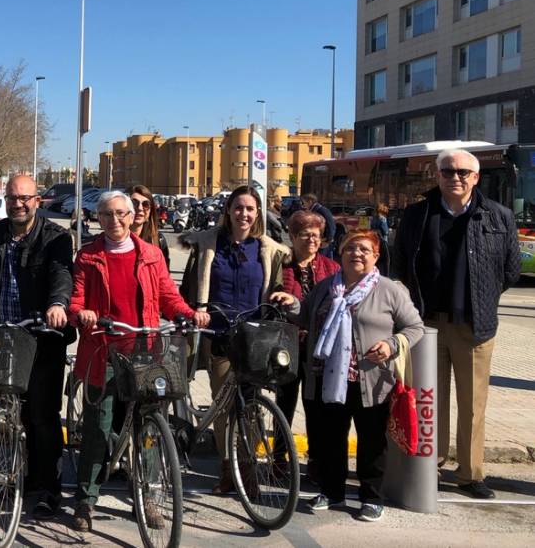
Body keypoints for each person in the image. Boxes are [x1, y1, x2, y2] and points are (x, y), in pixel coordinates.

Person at [67, 191, 208, 532]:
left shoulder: (150, 255)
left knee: (149, 428)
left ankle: (149, 498)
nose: (113, 220)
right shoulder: (88, 255)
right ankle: (86, 501)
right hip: (103, 351)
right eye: (105, 214)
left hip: (144, 351)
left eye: (120, 213)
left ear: (132, 217)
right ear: (97, 219)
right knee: (98, 428)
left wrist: (190, 314)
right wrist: (81, 314)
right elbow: (76, 299)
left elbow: (166, 295)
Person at [392, 148, 521, 499]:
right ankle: (428, 466)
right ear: (438, 176)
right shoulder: (417, 215)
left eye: (464, 172)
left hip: (475, 326)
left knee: (473, 403)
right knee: (429, 400)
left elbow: (511, 269)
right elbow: (401, 263)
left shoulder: (498, 216)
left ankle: (470, 474)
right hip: (427, 325)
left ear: (476, 177)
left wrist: (483, 298)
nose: (456, 177)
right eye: (448, 171)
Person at [0, 174, 73, 519]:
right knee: (8, 412)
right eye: (12, 198)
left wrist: (57, 304)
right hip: (3, 335)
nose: (18, 204)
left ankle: (45, 488)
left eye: (25, 198)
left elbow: (61, 274)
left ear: (37, 200)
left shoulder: (55, 237)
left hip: (41, 338)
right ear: (5, 200)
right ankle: (8, 477)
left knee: (41, 416)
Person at [298, 229, 424, 522]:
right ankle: (332, 492)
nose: (356, 254)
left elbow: (414, 327)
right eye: (350, 249)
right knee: (331, 439)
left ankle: (371, 497)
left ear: (376, 256)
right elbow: (304, 317)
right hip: (329, 377)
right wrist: (289, 305)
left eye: (364, 250)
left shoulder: (390, 290)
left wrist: (391, 345)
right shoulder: (326, 287)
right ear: (340, 254)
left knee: (371, 442)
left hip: (371, 380)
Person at [178, 185, 293, 493]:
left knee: (253, 407)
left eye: (250, 209)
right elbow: (188, 290)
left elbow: (277, 286)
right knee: (224, 406)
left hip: (255, 340)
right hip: (218, 335)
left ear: (258, 214)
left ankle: (248, 468)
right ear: (228, 211)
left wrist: (282, 296)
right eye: (238, 208)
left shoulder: (268, 249)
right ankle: (228, 469)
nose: (244, 214)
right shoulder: (208, 245)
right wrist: (193, 313)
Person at [276, 210, 340, 481]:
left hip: (318, 348)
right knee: (284, 403)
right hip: (287, 346)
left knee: (315, 406)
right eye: (305, 235)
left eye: (316, 235)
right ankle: (279, 458)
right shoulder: (282, 264)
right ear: (292, 237)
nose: (312, 240)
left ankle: (316, 459)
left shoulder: (331, 267)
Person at [127, 185, 170, 270]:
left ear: (150, 211)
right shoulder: (114, 240)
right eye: (134, 203)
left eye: (145, 204)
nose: (139, 208)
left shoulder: (158, 240)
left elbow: (164, 277)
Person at [369, 203, 391, 276]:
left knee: (377, 259)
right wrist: (388, 230)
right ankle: (386, 276)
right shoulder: (383, 219)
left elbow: (371, 229)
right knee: (386, 260)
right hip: (383, 241)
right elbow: (385, 231)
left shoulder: (373, 218)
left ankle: (375, 274)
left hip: (375, 240)